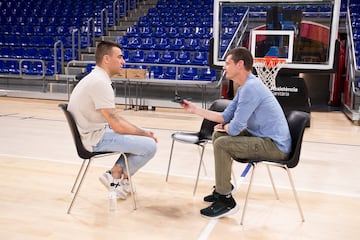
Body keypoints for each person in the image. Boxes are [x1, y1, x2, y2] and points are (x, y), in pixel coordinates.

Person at [179, 47, 291, 219]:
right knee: (218, 136)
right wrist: (195, 110)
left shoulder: (250, 88)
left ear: (240, 64)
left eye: (227, 63)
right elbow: (224, 117)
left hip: (275, 146)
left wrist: (226, 127)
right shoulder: (245, 86)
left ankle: (226, 201)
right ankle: (223, 188)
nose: (224, 67)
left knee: (222, 143)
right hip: (262, 137)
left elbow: (235, 127)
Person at [68, 41, 157, 199]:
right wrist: (143, 134)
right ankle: (116, 175)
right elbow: (117, 126)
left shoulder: (95, 78)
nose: (123, 61)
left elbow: (116, 117)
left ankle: (116, 173)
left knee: (140, 136)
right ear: (107, 59)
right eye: (120, 57)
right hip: (94, 139)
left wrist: (141, 131)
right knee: (150, 146)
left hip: (93, 132)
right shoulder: (100, 83)